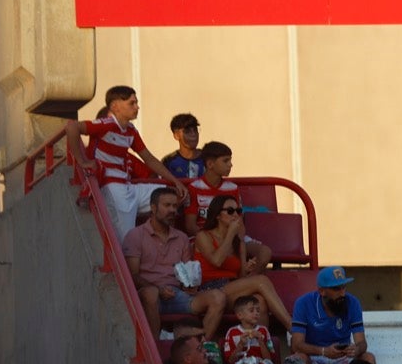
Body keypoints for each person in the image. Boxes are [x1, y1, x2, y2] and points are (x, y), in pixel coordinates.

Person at [66, 85, 189, 240]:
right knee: (127, 239)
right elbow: (72, 127)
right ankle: (133, 257)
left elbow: (149, 159)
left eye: (136, 102)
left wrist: (175, 181)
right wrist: (82, 161)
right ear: (115, 106)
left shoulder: (131, 130)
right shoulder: (106, 124)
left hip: (128, 186)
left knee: (169, 194)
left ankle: (163, 243)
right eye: (132, 103)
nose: (137, 107)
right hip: (112, 187)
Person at [122, 187, 227, 340]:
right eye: (167, 205)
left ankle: (201, 347)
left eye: (175, 206)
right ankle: (154, 349)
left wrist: (190, 285)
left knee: (218, 297)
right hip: (148, 295)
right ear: (153, 207)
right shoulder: (135, 235)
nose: (172, 210)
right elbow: (133, 275)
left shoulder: (182, 237)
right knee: (150, 294)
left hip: (176, 294)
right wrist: (158, 289)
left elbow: (187, 272)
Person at [191, 197, 294, 331]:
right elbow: (216, 261)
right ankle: (292, 327)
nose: (235, 215)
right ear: (217, 215)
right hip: (209, 290)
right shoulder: (203, 236)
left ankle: (260, 344)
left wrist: (246, 268)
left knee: (259, 302)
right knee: (261, 280)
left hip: (231, 288)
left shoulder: (238, 242)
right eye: (230, 211)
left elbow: (241, 278)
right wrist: (230, 234)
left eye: (238, 211)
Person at [289, 265, 373, 364]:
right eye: (336, 289)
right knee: (297, 360)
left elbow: (362, 343)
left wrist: (356, 350)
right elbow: (296, 345)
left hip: (343, 358)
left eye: (344, 287)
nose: (342, 293)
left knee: (368, 358)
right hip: (313, 357)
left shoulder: (352, 302)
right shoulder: (303, 303)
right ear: (322, 291)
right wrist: (324, 351)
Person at [221, 295, 278, 364]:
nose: (256, 313)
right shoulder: (232, 332)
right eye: (252, 310)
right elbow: (230, 360)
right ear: (240, 315)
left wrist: (261, 341)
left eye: (258, 310)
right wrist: (240, 345)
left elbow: (269, 359)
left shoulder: (263, 331)